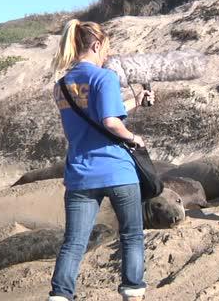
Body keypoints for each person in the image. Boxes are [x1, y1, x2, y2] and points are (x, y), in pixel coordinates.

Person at [48, 19, 155, 301]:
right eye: (105, 49)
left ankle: (60, 295)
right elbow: (110, 121)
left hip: (80, 174)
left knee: (73, 243)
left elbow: (94, 116)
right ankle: (133, 292)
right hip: (117, 171)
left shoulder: (61, 85)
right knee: (131, 235)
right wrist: (133, 137)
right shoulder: (104, 77)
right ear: (96, 45)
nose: (106, 55)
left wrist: (137, 100)